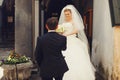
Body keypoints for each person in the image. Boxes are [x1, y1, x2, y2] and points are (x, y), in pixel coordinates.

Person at [58, 5, 95, 80]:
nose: (67, 16)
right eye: (65, 14)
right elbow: (60, 31)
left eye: (68, 14)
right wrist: (60, 32)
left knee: (76, 55)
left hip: (72, 39)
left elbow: (76, 30)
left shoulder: (74, 21)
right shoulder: (64, 22)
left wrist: (66, 34)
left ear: (71, 13)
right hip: (64, 40)